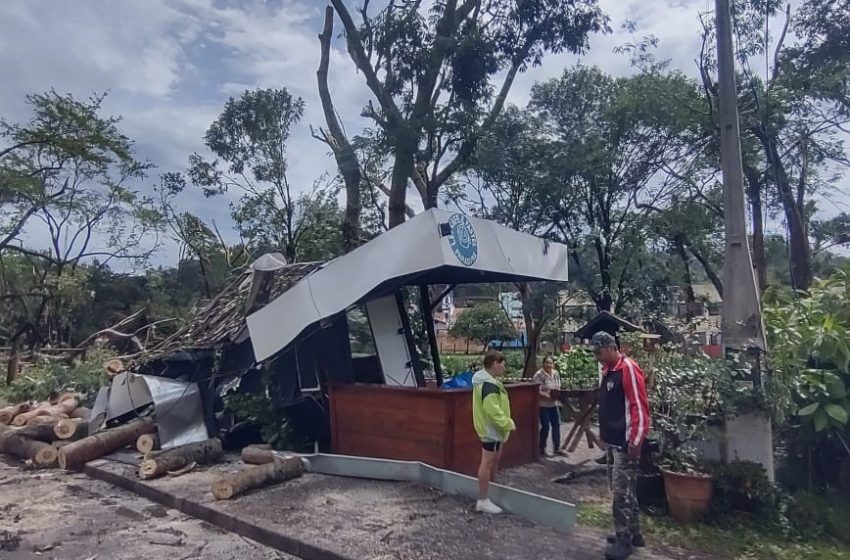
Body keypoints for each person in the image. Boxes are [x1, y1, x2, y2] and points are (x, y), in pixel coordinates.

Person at [590, 331, 650, 560]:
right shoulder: (608, 371)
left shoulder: (628, 369)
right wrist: (603, 434)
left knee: (620, 494)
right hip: (613, 442)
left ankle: (624, 540)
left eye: (599, 351)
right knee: (625, 490)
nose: (597, 356)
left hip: (626, 443)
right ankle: (635, 533)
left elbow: (639, 407)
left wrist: (636, 440)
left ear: (610, 347)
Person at [471, 349, 516, 514]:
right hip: (491, 430)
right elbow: (492, 410)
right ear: (494, 364)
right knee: (487, 463)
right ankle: (483, 500)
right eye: (502, 363)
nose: (504, 366)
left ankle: (491, 489)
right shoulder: (489, 385)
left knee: (494, 458)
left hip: (493, 430)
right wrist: (507, 423)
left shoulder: (487, 381)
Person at [533, 356, 564, 457]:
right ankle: (542, 448)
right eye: (547, 362)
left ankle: (557, 448)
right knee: (545, 426)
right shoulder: (538, 375)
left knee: (557, 425)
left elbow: (558, 386)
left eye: (550, 363)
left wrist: (556, 395)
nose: (548, 365)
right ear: (543, 363)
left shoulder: (556, 374)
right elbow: (537, 390)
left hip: (554, 404)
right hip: (543, 405)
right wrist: (547, 396)